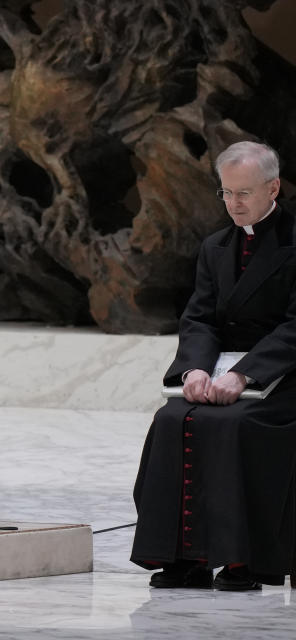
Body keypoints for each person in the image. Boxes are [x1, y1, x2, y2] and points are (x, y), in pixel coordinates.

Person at [131, 141, 296, 590]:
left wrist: (246, 374)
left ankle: (244, 560)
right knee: (171, 419)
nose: (233, 204)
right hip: (221, 371)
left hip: (282, 376)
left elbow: (294, 326)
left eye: (243, 193)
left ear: (273, 188)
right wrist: (195, 371)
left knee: (237, 424)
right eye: (225, 193)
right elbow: (200, 317)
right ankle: (186, 558)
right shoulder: (214, 246)